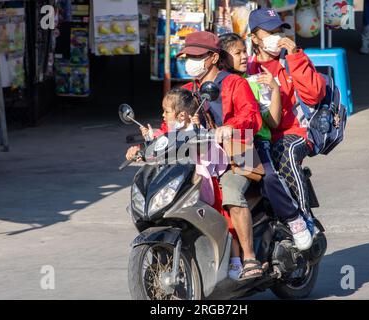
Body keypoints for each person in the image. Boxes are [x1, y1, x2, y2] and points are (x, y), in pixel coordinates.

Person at [127, 31, 264, 280]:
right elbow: (171, 132)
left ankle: (249, 257)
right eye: (188, 55)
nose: (190, 60)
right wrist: (145, 148)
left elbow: (252, 117)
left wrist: (229, 127)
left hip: (236, 156)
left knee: (231, 195)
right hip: (199, 161)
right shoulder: (186, 91)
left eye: (196, 56)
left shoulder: (236, 83)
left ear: (212, 57)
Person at [218, 32, 313, 251]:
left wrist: (275, 89)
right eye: (237, 53)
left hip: (253, 143)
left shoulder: (252, 82)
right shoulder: (214, 85)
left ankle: (294, 218)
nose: (244, 57)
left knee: (269, 178)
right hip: (222, 148)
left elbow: (272, 121)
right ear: (222, 59)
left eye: (244, 52)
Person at [247, 8, 326, 240]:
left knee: (287, 151)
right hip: (258, 135)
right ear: (254, 38)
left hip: (294, 132)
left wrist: (295, 56)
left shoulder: (292, 61)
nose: (276, 36)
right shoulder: (247, 66)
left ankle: (303, 219)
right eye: (269, 31)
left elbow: (314, 95)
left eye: (279, 30)